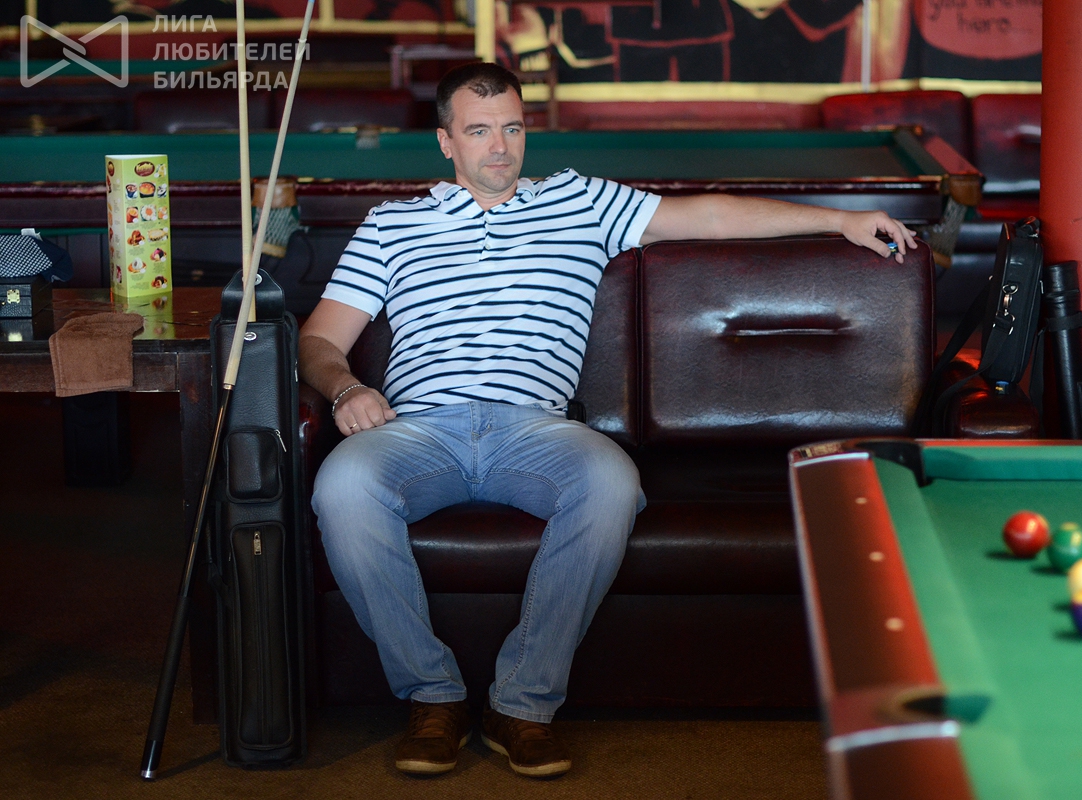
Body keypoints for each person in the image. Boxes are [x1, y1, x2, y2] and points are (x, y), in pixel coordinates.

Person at [300, 62, 915, 780]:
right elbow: (319, 342)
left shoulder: (582, 202)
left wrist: (841, 220)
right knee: (342, 486)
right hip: (417, 429)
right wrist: (345, 389)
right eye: (479, 131)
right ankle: (432, 696)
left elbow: (711, 216)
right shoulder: (393, 224)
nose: (499, 147)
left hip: (535, 429)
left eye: (511, 129)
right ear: (445, 142)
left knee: (611, 482)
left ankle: (521, 703)